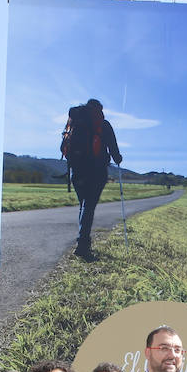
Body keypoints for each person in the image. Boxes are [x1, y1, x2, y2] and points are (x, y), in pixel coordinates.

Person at [63, 97, 122, 260]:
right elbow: (114, 151)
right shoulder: (103, 124)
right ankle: (83, 245)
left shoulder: (76, 121)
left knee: (83, 205)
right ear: (99, 110)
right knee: (88, 206)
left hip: (76, 170)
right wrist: (118, 158)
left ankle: (83, 241)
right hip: (96, 171)